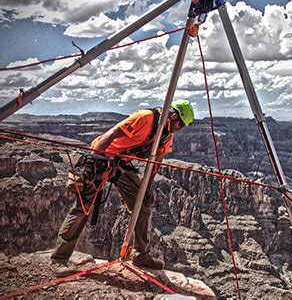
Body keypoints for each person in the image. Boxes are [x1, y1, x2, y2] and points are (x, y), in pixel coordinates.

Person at [51, 100, 195, 277]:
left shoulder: (166, 133)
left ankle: (140, 255)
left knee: (144, 202)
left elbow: (157, 160)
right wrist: (92, 162)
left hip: (121, 163)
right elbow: (112, 133)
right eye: (180, 123)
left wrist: (144, 187)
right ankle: (59, 259)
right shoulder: (145, 118)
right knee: (83, 206)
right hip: (102, 156)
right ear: (173, 115)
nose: (180, 128)